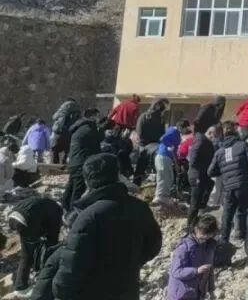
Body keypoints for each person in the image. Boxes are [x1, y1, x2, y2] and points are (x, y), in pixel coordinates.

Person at [52, 153, 163, 300]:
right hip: (127, 289)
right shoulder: (139, 207)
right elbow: (154, 245)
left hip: (93, 292)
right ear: (117, 175)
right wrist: (130, 263)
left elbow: (71, 266)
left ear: (87, 181)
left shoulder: (87, 217)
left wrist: (59, 289)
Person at [209, 121, 248, 245]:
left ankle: (224, 240)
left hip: (229, 187)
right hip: (245, 184)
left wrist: (224, 171)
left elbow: (210, 172)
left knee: (227, 214)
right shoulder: (243, 145)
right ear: (235, 131)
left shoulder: (219, 152)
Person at [7, 195, 63, 295]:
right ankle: (39, 277)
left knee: (26, 253)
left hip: (14, 217)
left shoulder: (46, 202)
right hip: (26, 220)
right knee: (38, 251)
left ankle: (20, 286)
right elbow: (52, 240)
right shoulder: (57, 212)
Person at [166, 215, 218, 300]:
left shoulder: (210, 246)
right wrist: (196, 271)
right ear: (196, 229)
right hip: (181, 294)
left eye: (209, 234)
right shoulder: (184, 247)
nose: (206, 237)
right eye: (204, 234)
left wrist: (211, 291)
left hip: (198, 293)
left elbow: (209, 270)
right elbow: (176, 271)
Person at [61, 110, 103, 213]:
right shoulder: (88, 128)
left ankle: (64, 207)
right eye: (97, 116)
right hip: (81, 163)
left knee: (71, 186)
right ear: (92, 117)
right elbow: (97, 143)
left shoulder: (79, 127)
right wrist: (102, 129)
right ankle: (73, 212)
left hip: (74, 162)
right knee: (78, 191)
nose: (98, 118)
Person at [186, 127, 216, 233]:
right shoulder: (201, 141)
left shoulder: (205, 142)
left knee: (209, 185)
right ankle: (189, 227)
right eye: (214, 135)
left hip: (202, 175)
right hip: (197, 175)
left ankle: (197, 218)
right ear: (210, 133)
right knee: (195, 203)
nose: (215, 138)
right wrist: (196, 167)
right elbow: (193, 157)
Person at [134, 99, 169, 184]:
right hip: (153, 145)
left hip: (145, 145)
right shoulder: (160, 118)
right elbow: (162, 133)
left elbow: (139, 130)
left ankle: (136, 184)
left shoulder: (145, 116)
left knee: (140, 168)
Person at [154, 123, 182, 207]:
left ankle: (164, 196)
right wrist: (170, 145)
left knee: (169, 177)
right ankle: (160, 197)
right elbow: (163, 138)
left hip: (168, 158)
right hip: (163, 156)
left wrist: (176, 164)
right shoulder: (173, 130)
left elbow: (174, 151)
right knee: (164, 177)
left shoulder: (177, 133)